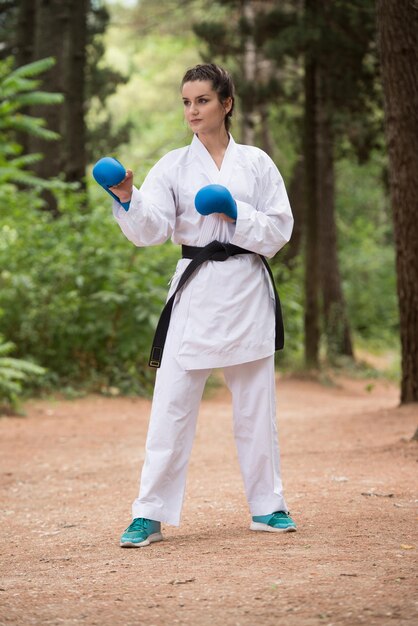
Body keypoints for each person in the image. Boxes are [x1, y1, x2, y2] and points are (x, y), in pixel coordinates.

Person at [110, 63, 296, 548]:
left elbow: (279, 229)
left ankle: (268, 506)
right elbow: (151, 228)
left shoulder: (256, 163)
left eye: (203, 101)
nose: (193, 111)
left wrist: (238, 213)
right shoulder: (174, 165)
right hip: (195, 289)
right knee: (171, 404)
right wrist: (128, 198)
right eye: (186, 102)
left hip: (246, 285)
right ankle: (148, 512)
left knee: (256, 407)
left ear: (226, 103)